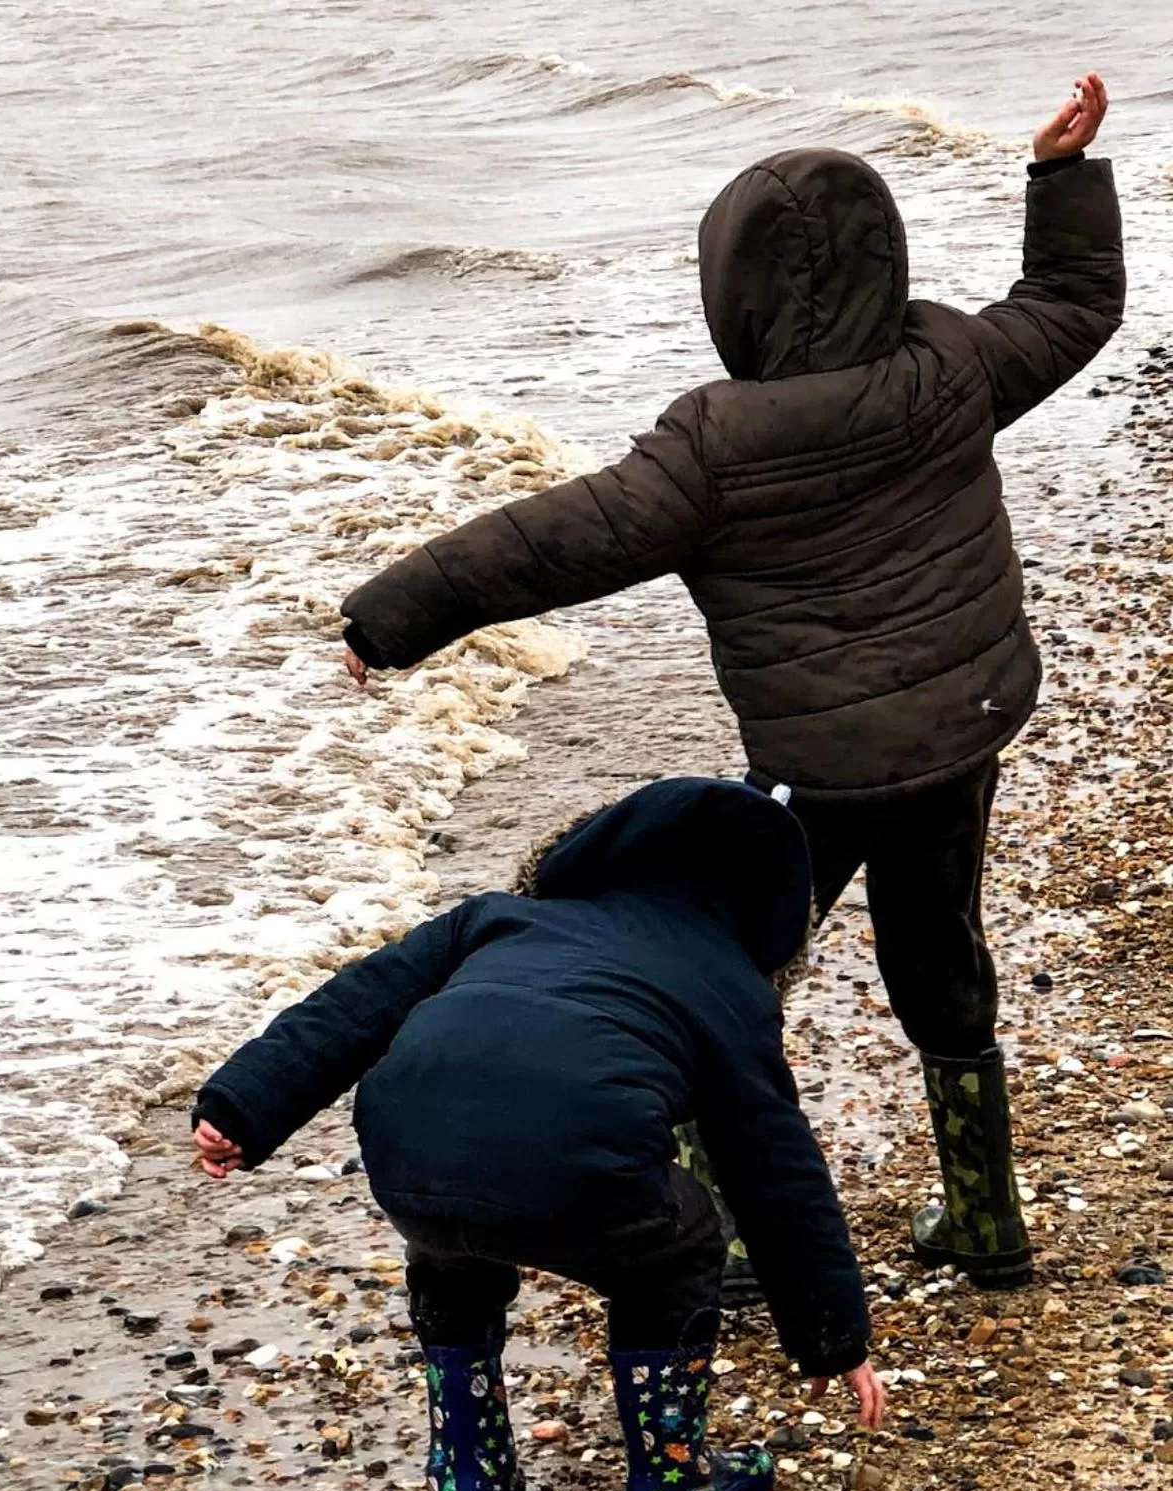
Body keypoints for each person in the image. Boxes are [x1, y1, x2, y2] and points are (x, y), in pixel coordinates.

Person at [335, 76, 1124, 1292]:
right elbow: (1071, 303)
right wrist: (1057, 177)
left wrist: (393, 617)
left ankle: (729, 1243)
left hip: (821, 769)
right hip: (965, 723)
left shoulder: (711, 447)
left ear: (734, 296)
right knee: (937, 947)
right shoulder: (947, 362)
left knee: (719, 972)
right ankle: (983, 1219)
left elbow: (552, 541)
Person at [192, 778, 885, 1491]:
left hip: (408, 1147)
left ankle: (471, 1477)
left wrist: (241, 1107)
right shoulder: (729, 989)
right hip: (581, 1164)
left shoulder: (496, 918)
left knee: (450, 1243)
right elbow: (775, 1171)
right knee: (681, 1243)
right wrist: (830, 1337)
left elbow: (349, 1007)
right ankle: (672, 1475)